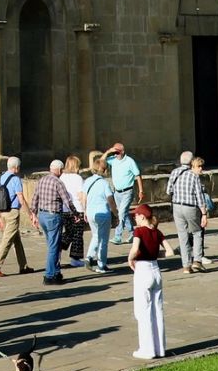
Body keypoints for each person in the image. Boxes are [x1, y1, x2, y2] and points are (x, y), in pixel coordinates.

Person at [125, 202, 167, 359]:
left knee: (143, 311)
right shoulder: (157, 232)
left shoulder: (139, 231)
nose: (135, 218)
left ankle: (147, 349)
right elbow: (169, 251)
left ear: (142, 217)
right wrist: (155, 255)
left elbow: (135, 249)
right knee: (158, 311)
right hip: (156, 270)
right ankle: (160, 348)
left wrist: (130, 259)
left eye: (136, 216)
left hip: (143, 270)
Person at [32, 158, 72, 284]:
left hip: (42, 215)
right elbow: (67, 200)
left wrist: (33, 214)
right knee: (53, 247)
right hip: (53, 216)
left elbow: (35, 198)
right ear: (60, 170)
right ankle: (49, 276)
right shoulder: (57, 182)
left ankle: (56, 271)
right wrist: (75, 213)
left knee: (52, 244)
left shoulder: (42, 180)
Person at [0, 156, 31, 277]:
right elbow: (21, 199)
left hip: (2, 212)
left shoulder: (0, 179)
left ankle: (23, 266)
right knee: (7, 240)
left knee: (16, 239)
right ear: (16, 167)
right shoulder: (16, 179)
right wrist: (30, 214)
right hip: (12, 212)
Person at [166, 151, 208, 272]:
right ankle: (197, 261)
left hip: (177, 206)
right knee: (197, 232)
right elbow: (199, 196)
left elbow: (168, 191)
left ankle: (186, 266)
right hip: (191, 207)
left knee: (182, 236)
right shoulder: (193, 176)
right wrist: (204, 213)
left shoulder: (174, 172)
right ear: (191, 162)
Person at [81, 152, 117, 272]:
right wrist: (116, 214)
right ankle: (101, 264)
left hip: (91, 213)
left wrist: (85, 211)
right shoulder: (104, 183)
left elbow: (83, 198)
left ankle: (89, 257)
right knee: (103, 240)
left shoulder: (87, 181)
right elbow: (110, 201)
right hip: (103, 213)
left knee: (96, 236)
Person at [61, 153, 89, 263]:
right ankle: (75, 258)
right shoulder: (78, 178)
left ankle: (57, 247)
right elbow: (81, 195)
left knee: (68, 232)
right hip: (77, 209)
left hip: (65, 209)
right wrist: (85, 209)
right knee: (77, 234)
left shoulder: (62, 177)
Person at [104, 142, 142, 224]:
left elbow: (138, 175)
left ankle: (118, 235)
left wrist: (141, 191)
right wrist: (108, 152)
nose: (116, 154)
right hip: (117, 192)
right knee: (124, 213)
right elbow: (100, 162)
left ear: (122, 152)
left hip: (127, 192)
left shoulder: (130, 161)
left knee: (121, 213)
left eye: (117, 152)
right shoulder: (112, 160)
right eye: (114, 152)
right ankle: (131, 231)